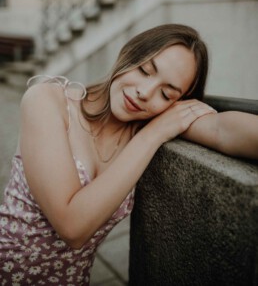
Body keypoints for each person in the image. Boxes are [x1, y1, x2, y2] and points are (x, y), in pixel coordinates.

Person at [0, 24, 257, 285]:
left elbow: (222, 129)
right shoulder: (47, 100)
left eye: (166, 93)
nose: (144, 93)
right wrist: (153, 135)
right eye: (145, 70)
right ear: (128, 53)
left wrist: (158, 126)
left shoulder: (151, 121)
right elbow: (72, 226)